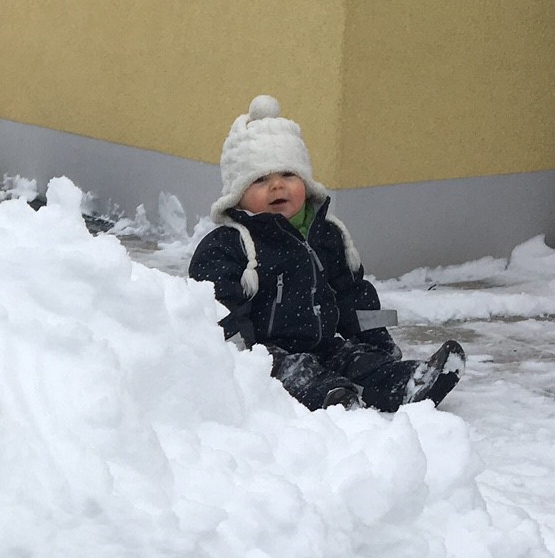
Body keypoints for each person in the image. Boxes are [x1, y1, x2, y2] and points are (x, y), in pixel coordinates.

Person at [188, 96, 464, 412]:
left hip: (325, 344)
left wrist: (377, 339)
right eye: (261, 179)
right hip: (267, 355)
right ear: (237, 195)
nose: (277, 186)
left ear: (305, 181)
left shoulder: (328, 234)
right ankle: (333, 398)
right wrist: (241, 356)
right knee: (298, 374)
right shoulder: (228, 245)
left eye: (288, 175)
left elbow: (353, 295)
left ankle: (408, 382)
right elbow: (215, 307)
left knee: (357, 361)